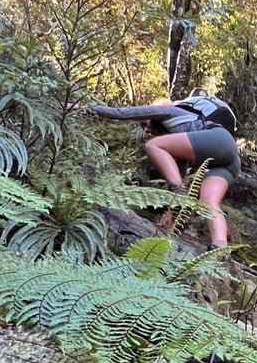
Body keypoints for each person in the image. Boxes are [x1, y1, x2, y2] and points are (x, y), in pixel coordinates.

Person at [94, 91, 240, 250]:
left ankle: (178, 193)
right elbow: (179, 174)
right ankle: (220, 247)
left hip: (219, 139)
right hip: (230, 158)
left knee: (153, 145)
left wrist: (85, 107)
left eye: (145, 124)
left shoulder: (171, 111)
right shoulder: (184, 137)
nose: (147, 130)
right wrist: (171, 212)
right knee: (209, 202)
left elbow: (121, 113)